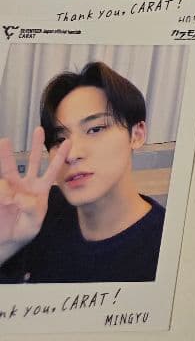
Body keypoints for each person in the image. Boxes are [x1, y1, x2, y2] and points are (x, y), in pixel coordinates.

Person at [1, 62, 164, 283]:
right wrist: (8, 246)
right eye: (60, 139)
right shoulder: (37, 209)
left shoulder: (169, 248)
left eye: (95, 129)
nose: (71, 154)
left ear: (137, 135)